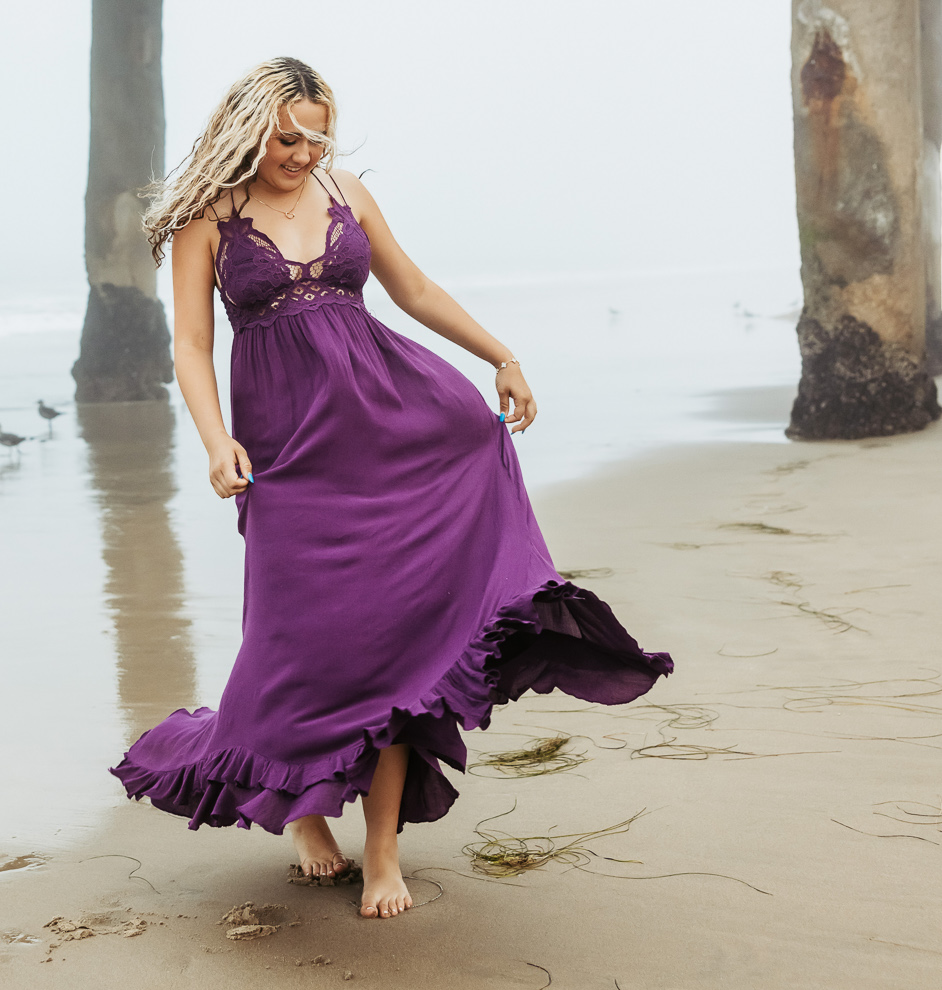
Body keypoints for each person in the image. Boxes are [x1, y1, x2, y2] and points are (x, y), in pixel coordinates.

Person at [111, 58, 671, 919]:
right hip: (290, 456)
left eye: (316, 134)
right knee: (292, 647)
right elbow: (190, 344)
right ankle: (300, 814)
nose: (302, 152)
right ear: (248, 127)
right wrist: (216, 441)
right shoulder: (207, 220)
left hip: (395, 432)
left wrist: (501, 357)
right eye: (286, 135)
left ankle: (381, 851)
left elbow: (410, 290)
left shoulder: (347, 194)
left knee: (398, 649)